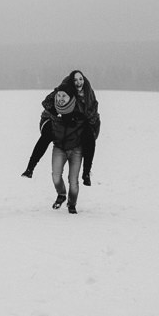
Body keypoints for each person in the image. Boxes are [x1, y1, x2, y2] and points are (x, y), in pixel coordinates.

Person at [21, 70, 101, 184]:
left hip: (79, 123)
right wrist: (58, 113)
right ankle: (30, 168)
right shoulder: (64, 88)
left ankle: (86, 173)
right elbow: (46, 102)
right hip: (54, 118)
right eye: (75, 80)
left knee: (89, 136)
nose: (78, 82)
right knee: (47, 135)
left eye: (80, 79)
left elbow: (92, 115)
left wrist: (78, 118)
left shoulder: (88, 93)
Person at [48, 83, 85, 213]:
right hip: (59, 148)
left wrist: (87, 170)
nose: (60, 98)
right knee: (56, 176)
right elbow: (45, 132)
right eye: (58, 95)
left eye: (64, 95)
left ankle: (72, 204)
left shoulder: (80, 113)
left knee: (73, 180)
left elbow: (89, 136)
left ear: (71, 98)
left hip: (76, 150)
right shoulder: (52, 111)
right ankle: (61, 194)